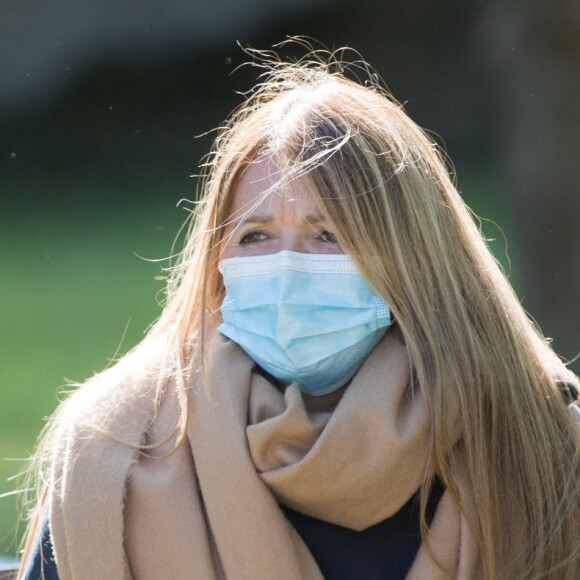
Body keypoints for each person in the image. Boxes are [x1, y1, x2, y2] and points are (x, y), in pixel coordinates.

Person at [18, 44, 580, 580]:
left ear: (414, 259)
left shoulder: (538, 439)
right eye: (256, 235)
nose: (287, 268)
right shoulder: (118, 452)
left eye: (327, 235)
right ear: (217, 262)